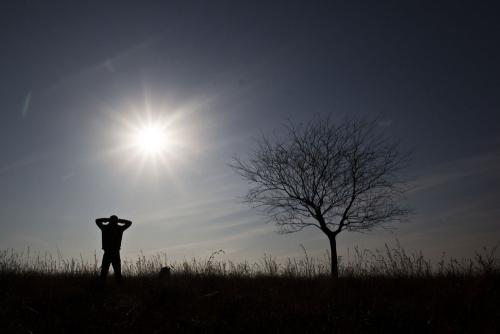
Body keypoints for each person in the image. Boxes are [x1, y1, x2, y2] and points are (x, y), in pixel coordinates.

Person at [95, 215, 132, 282]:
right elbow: (129, 223)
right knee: (114, 273)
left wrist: (108, 219)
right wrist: (119, 220)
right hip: (113, 253)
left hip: (109, 253)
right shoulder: (118, 228)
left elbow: (97, 221)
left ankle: (102, 288)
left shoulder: (105, 228)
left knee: (105, 272)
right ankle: (118, 288)